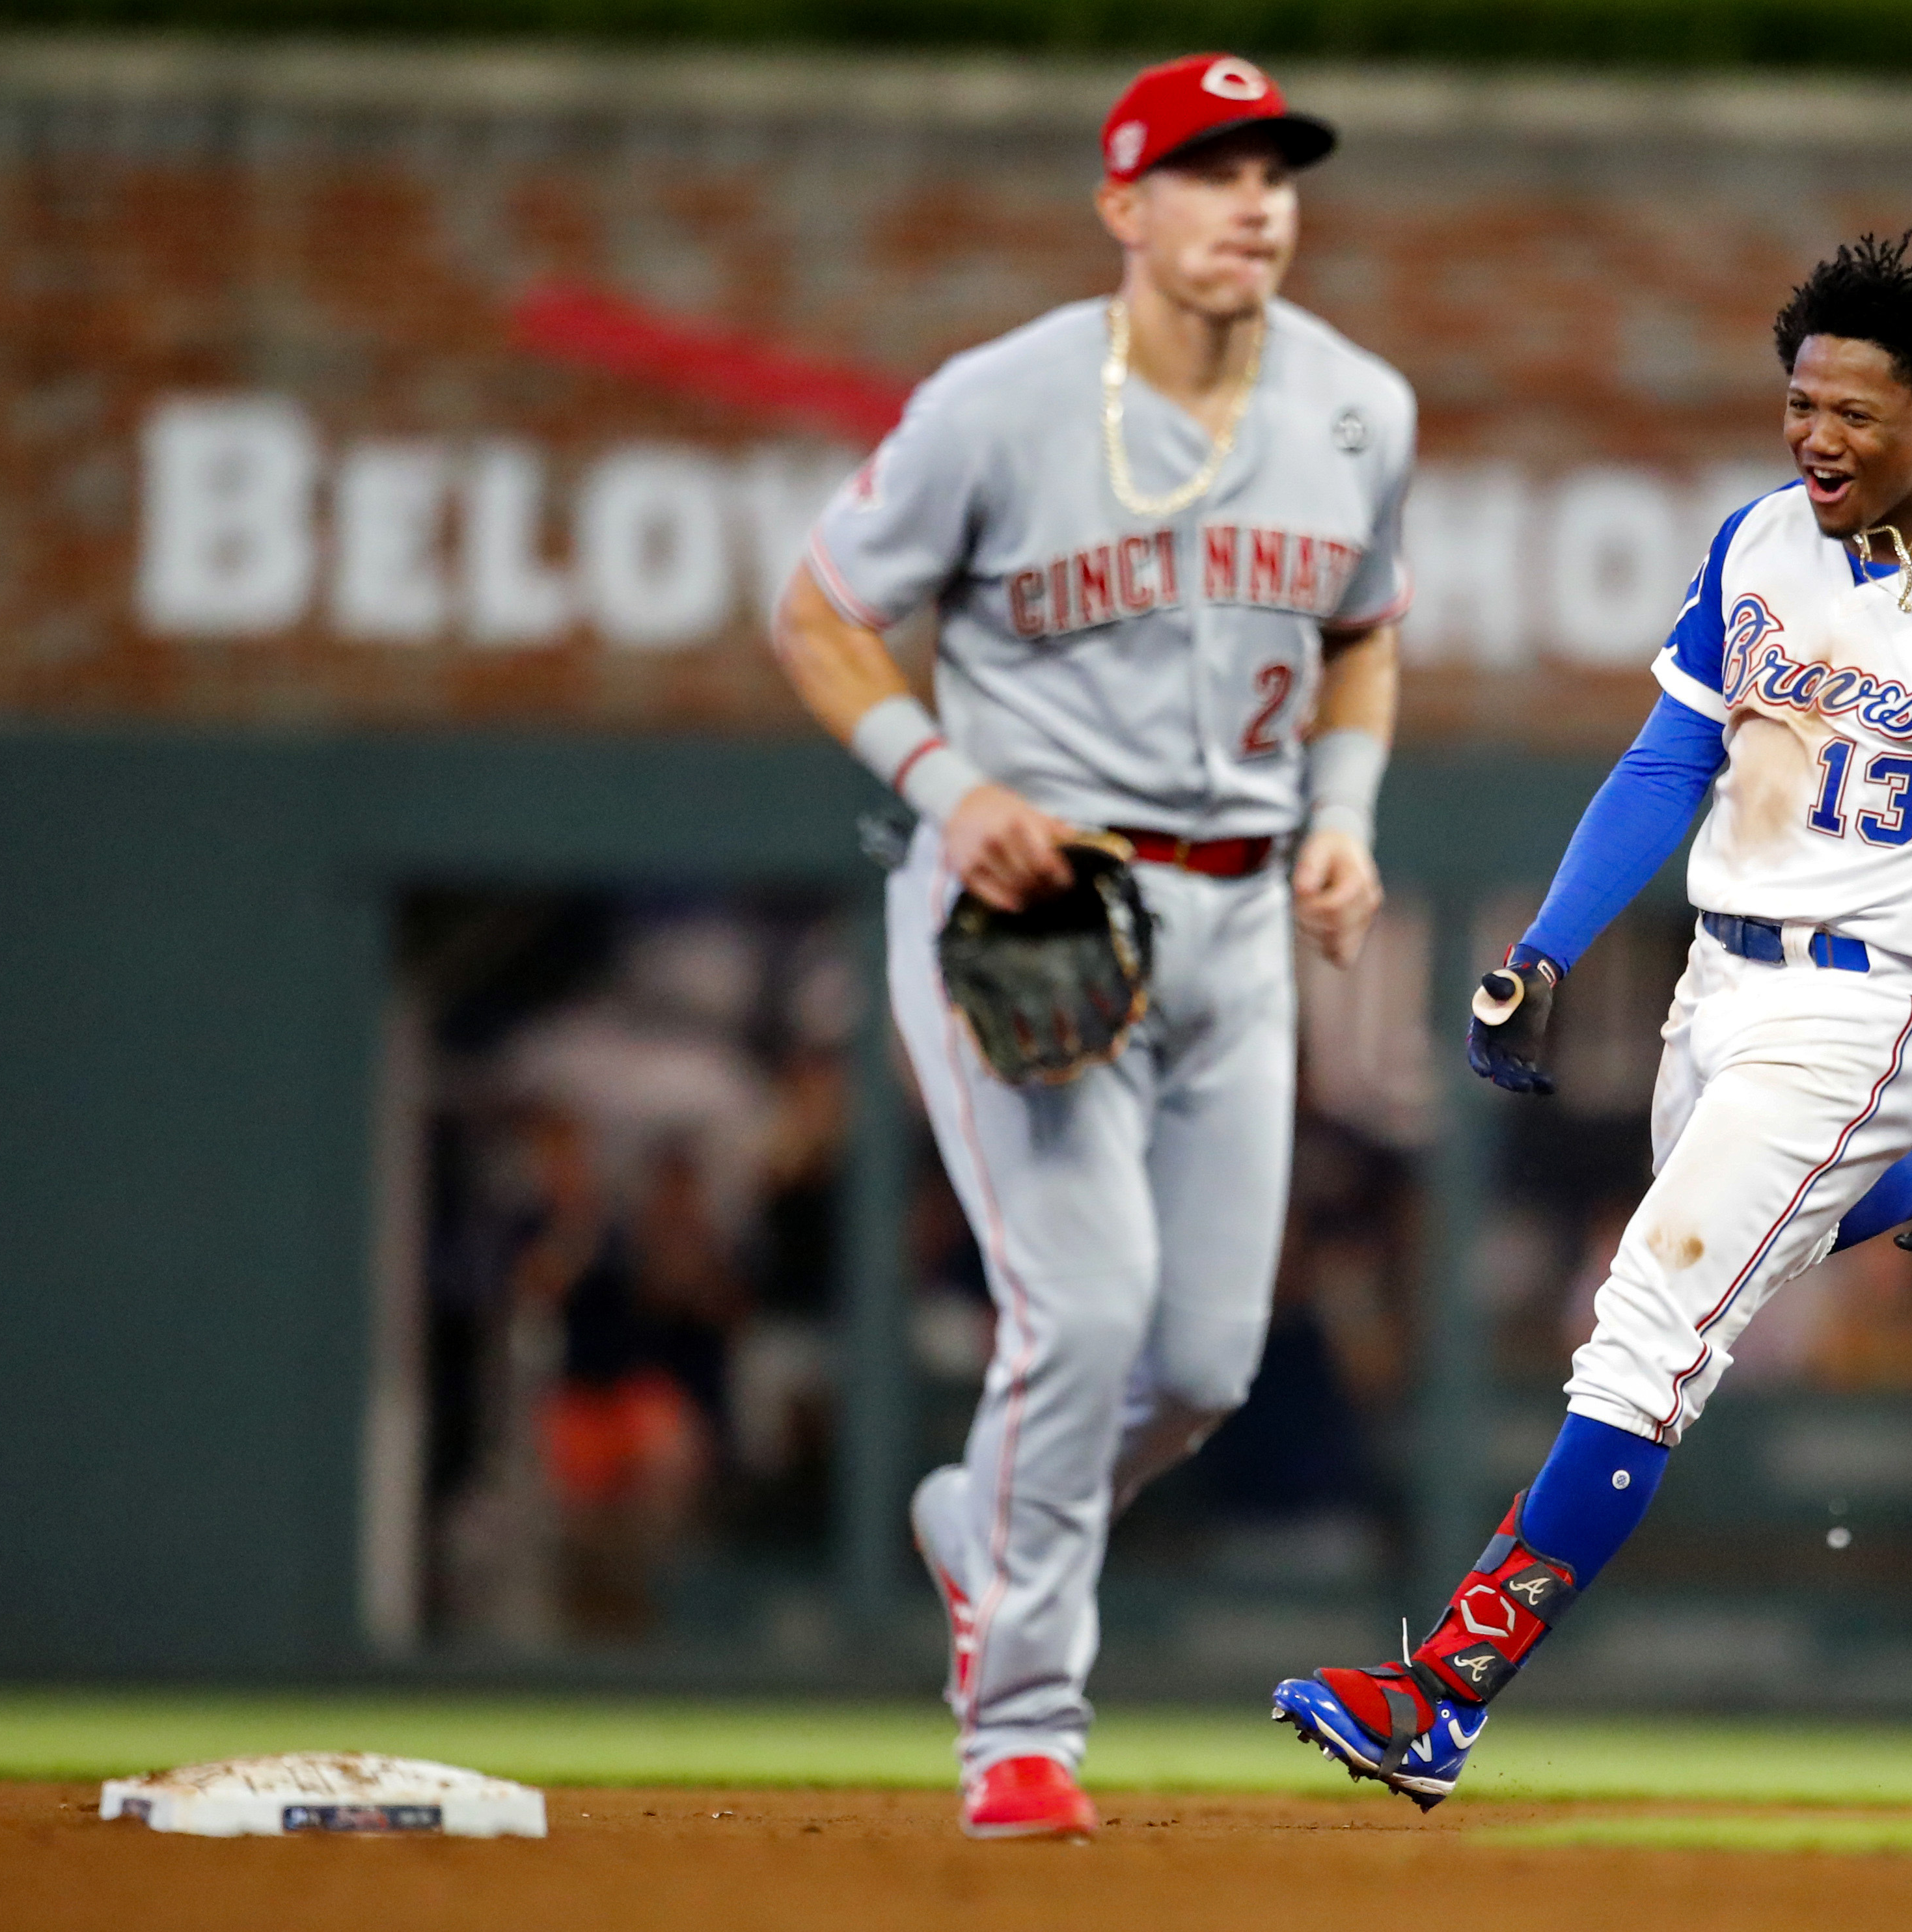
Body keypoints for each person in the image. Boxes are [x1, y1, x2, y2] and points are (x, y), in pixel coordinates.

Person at [1273, 232, 1912, 1807]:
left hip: (1875, 1005)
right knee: (1754, 1252)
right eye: (1800, 400)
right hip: (1718, 982)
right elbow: (1670, 758)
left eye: (1856, 412)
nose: (1815, 434)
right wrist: (1543, 946)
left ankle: (1440, 1695)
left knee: (1649, 1329)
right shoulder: (1759, 542)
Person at [768, 53, 1411, 1839]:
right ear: (1123, 206)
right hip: (1028, 907)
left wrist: (1344, 813)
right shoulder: (1000, 404)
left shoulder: (1361, 407)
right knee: (1084, 1306)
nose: (1253, 199)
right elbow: (818, 608)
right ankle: (1020, 1729)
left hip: (1238, 917)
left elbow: (1362, 634)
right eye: (1207, 171)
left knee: (1202, 1360)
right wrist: (940, 775)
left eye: (1273, 167)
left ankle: (986, 1519)